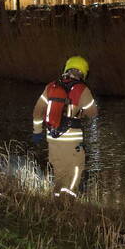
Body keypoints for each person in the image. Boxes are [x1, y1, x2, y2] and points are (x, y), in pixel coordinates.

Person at [31, 56, 98, 199]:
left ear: (67, 68)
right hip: (72, 140)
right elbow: (92, 113)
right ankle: (68, 203)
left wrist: (37, 132)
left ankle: (56, 201)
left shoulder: (51, 86)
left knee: (60, 174)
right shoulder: (82, 89)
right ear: (83, 72)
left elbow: (37, 111)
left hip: (52, 138)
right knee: (75, 170)